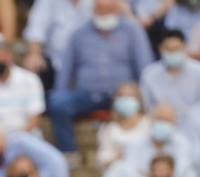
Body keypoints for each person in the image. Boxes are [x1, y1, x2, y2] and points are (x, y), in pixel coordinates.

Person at [47, 0, 155, 155]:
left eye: (109, 10)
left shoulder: (133, 31)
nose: (104, 14)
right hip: (87, 95)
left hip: (121, 95)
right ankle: (70, 153)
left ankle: (137, 152)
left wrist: (139, 95)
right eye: (100, 10)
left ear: (118, 10)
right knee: (57, 101)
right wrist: (60, 92)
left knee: (135, 102)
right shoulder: (79, 34)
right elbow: (65, 72)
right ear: (93, 10)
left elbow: (145, 67)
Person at [0, 40, 45, 135]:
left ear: (9, 57)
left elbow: (34, 118)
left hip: (26, 135)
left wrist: (19, 137)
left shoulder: (30, 79)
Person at [141, 29, 200, 111]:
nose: (173, 52)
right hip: (160, 120)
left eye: (176, 49)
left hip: (193, 121)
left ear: (185, 47)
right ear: (160, 49)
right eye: (169, 49)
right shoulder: (149, 73)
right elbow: (146, 104)